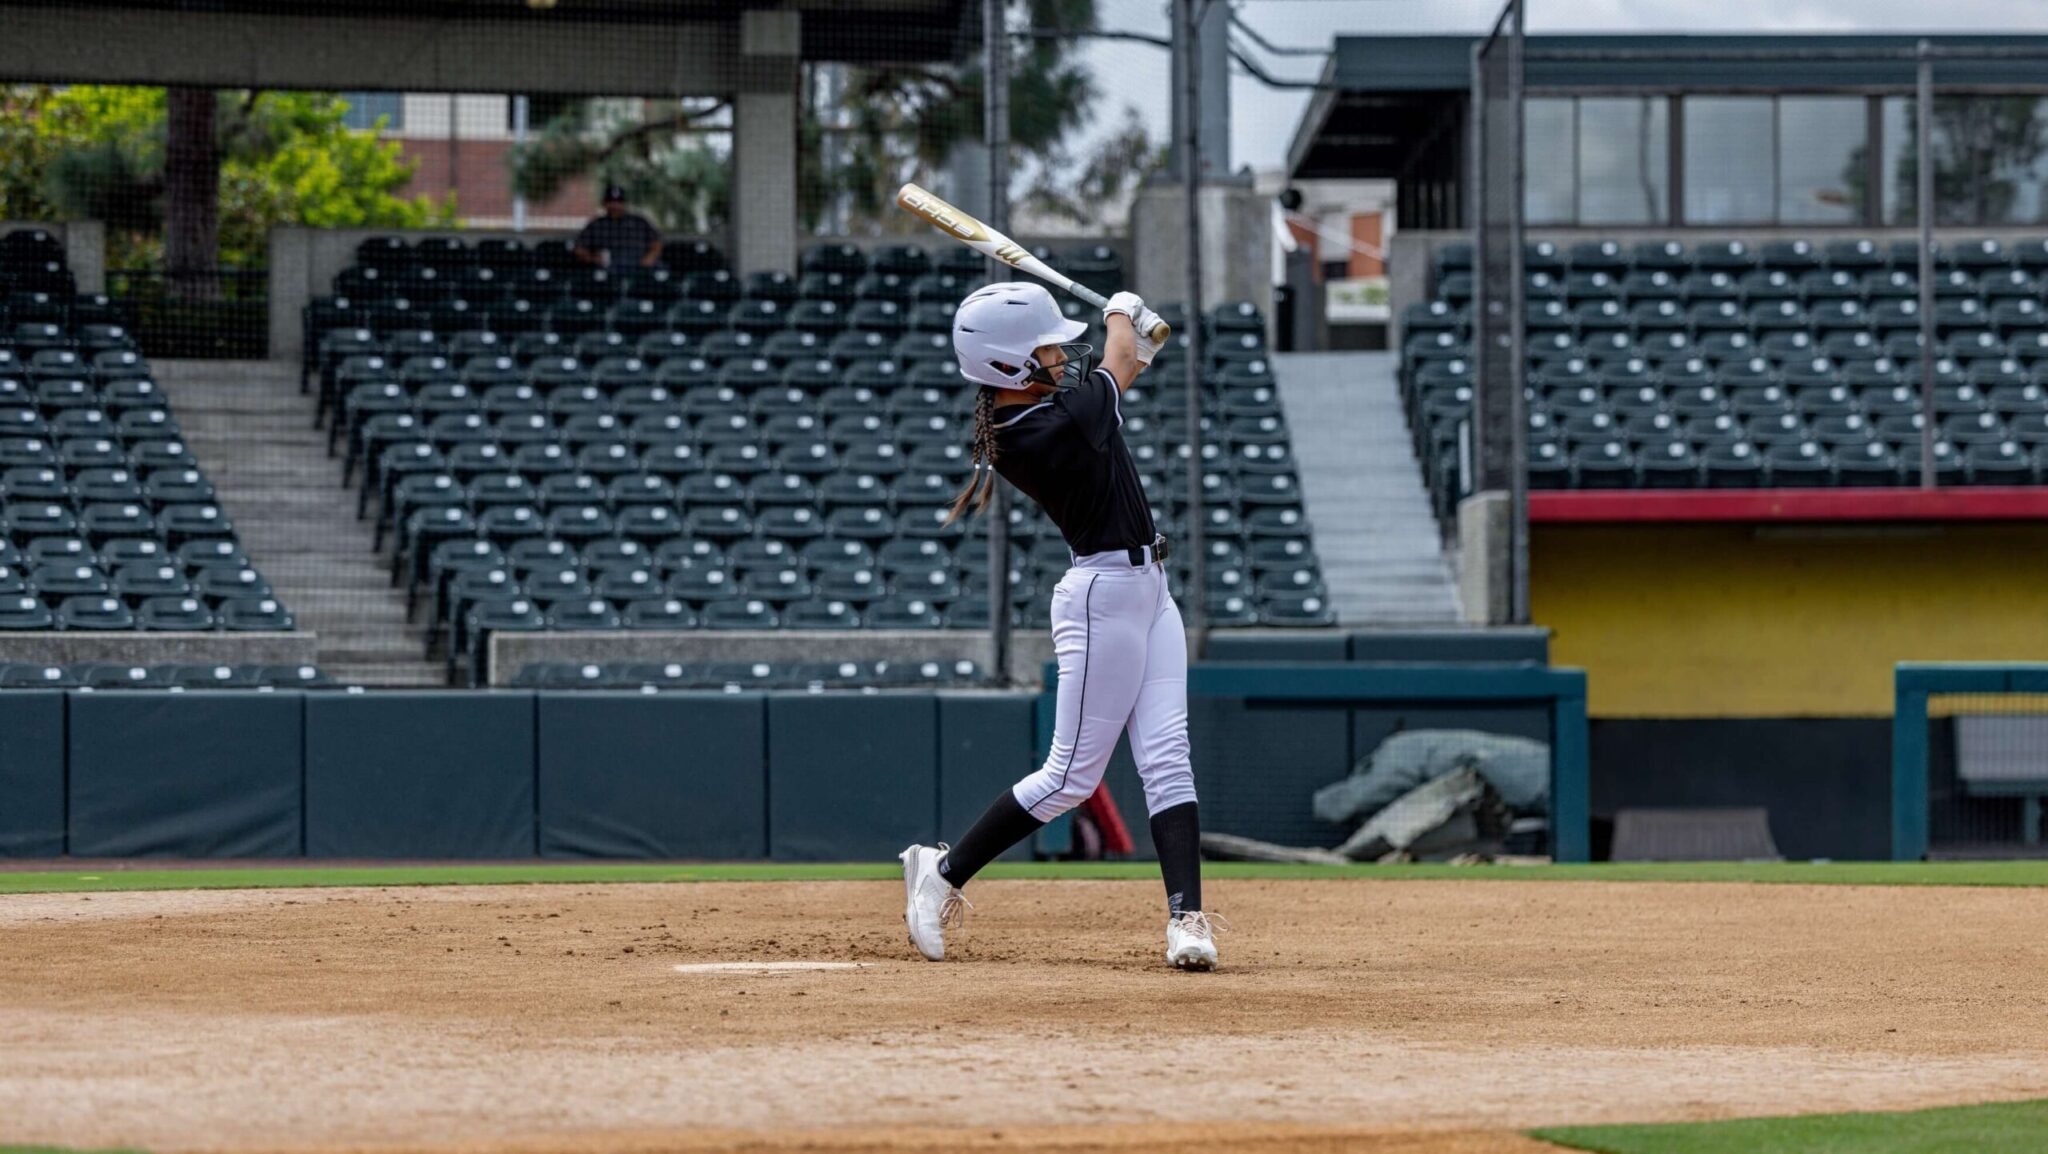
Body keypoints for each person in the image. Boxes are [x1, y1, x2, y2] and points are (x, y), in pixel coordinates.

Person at [898, 282, 1220, 971]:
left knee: (1168, 757)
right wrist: (1122, 309)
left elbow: (1122, 365)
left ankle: (1186, 919)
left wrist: (1132, 332)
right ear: (1008, 364)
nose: (1059, 355)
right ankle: (941, 874)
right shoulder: (1040, 429)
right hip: (1103, 597)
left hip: (1150, 589)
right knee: (1070, 777)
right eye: (1045, 348)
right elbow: (1120, 360)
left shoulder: (1056, 409)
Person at [573, 185, 663, 269]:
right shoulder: (596, 225)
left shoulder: (639, 222)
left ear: (625, 203)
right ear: (604, 204)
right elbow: (579, 248)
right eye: (611, 201)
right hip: (606, 272)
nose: (615, 205)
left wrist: (649, 259)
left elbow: (657, 243)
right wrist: (592, 259)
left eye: (619, 202)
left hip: (638, 270)